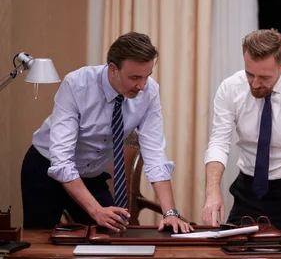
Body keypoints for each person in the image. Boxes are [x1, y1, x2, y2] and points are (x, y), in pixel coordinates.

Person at [21, 31, 192, 234]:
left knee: (112, 234)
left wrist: (170, 212)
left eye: (147, 76)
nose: (142, 86)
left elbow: (154, 153)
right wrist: (96, 210)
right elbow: (62, 162)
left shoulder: (149, 92)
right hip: (45, 168)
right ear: (113, 69)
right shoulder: (76, 84)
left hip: (90, 175)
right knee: (41, 243)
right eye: (135, 77)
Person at [203, 29, 281, 241]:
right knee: (232, 258)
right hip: (248, 191)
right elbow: (218, 143)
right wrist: (212, 191)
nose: (254, 83)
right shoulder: (230, 89)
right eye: (249, 74)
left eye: (264, 77)